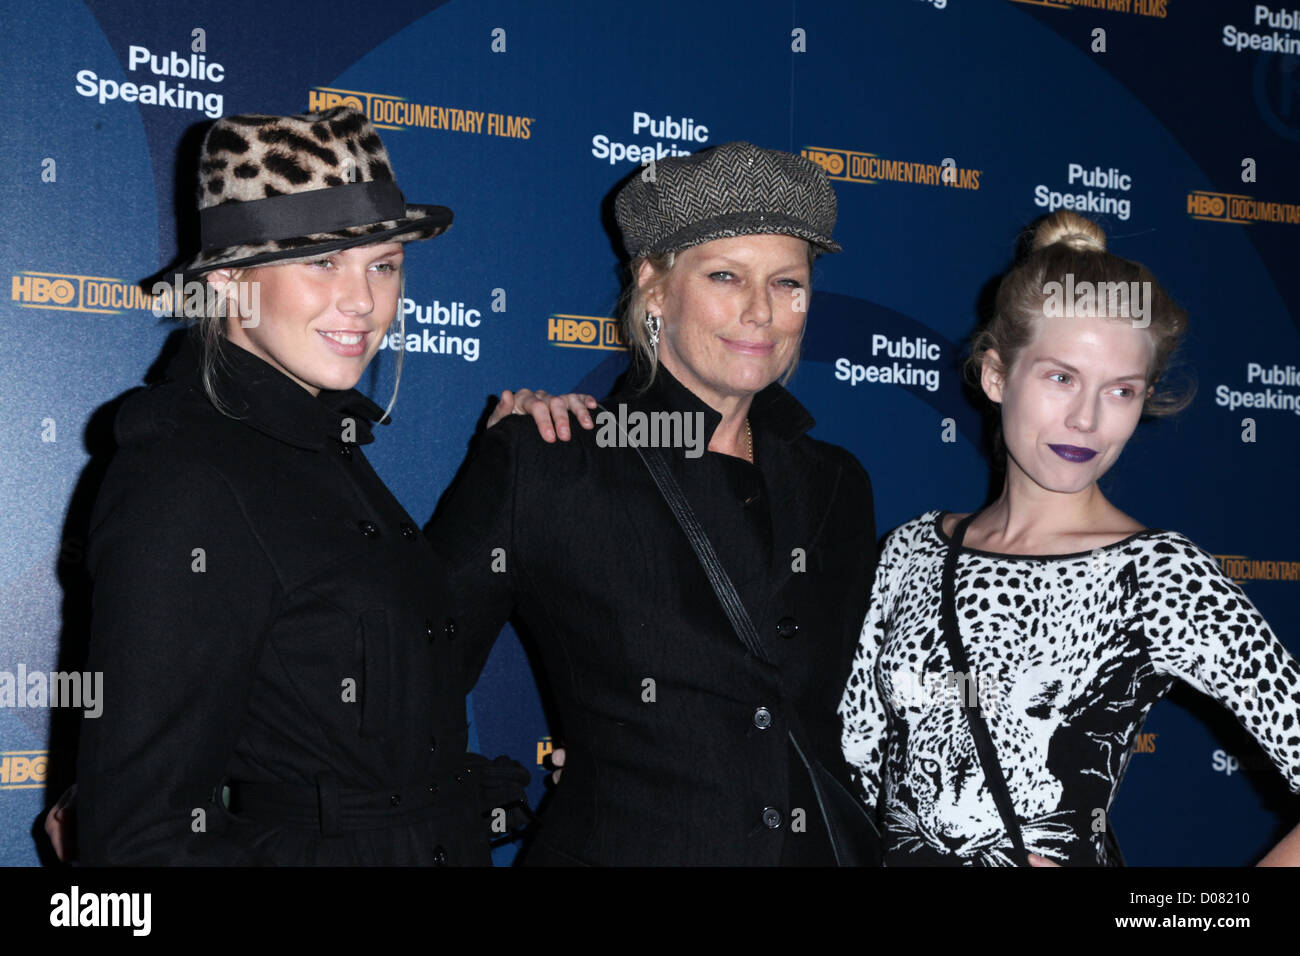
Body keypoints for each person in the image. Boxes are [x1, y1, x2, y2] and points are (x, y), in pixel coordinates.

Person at [71, 107, 587, 865]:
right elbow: (135, 841)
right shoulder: (187, 478)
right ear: (229, 281)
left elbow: (403, 674)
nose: (363, 300)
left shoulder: (319, 442)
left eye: (384, 265)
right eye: (322, 262)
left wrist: (504, 466)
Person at [429, 141, 878, 865]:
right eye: (725, 276)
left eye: (788, 283)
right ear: (654, 286)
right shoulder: (552, 458)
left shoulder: (837, 482)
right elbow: (408, 679)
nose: (761, 311)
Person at [838, 210, 1300, 866]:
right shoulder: (910, 551)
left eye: (1121, 391)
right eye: (1061, 377)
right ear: (996, 375)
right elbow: (852, 770)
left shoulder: (1157, 574)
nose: (1086, 419)